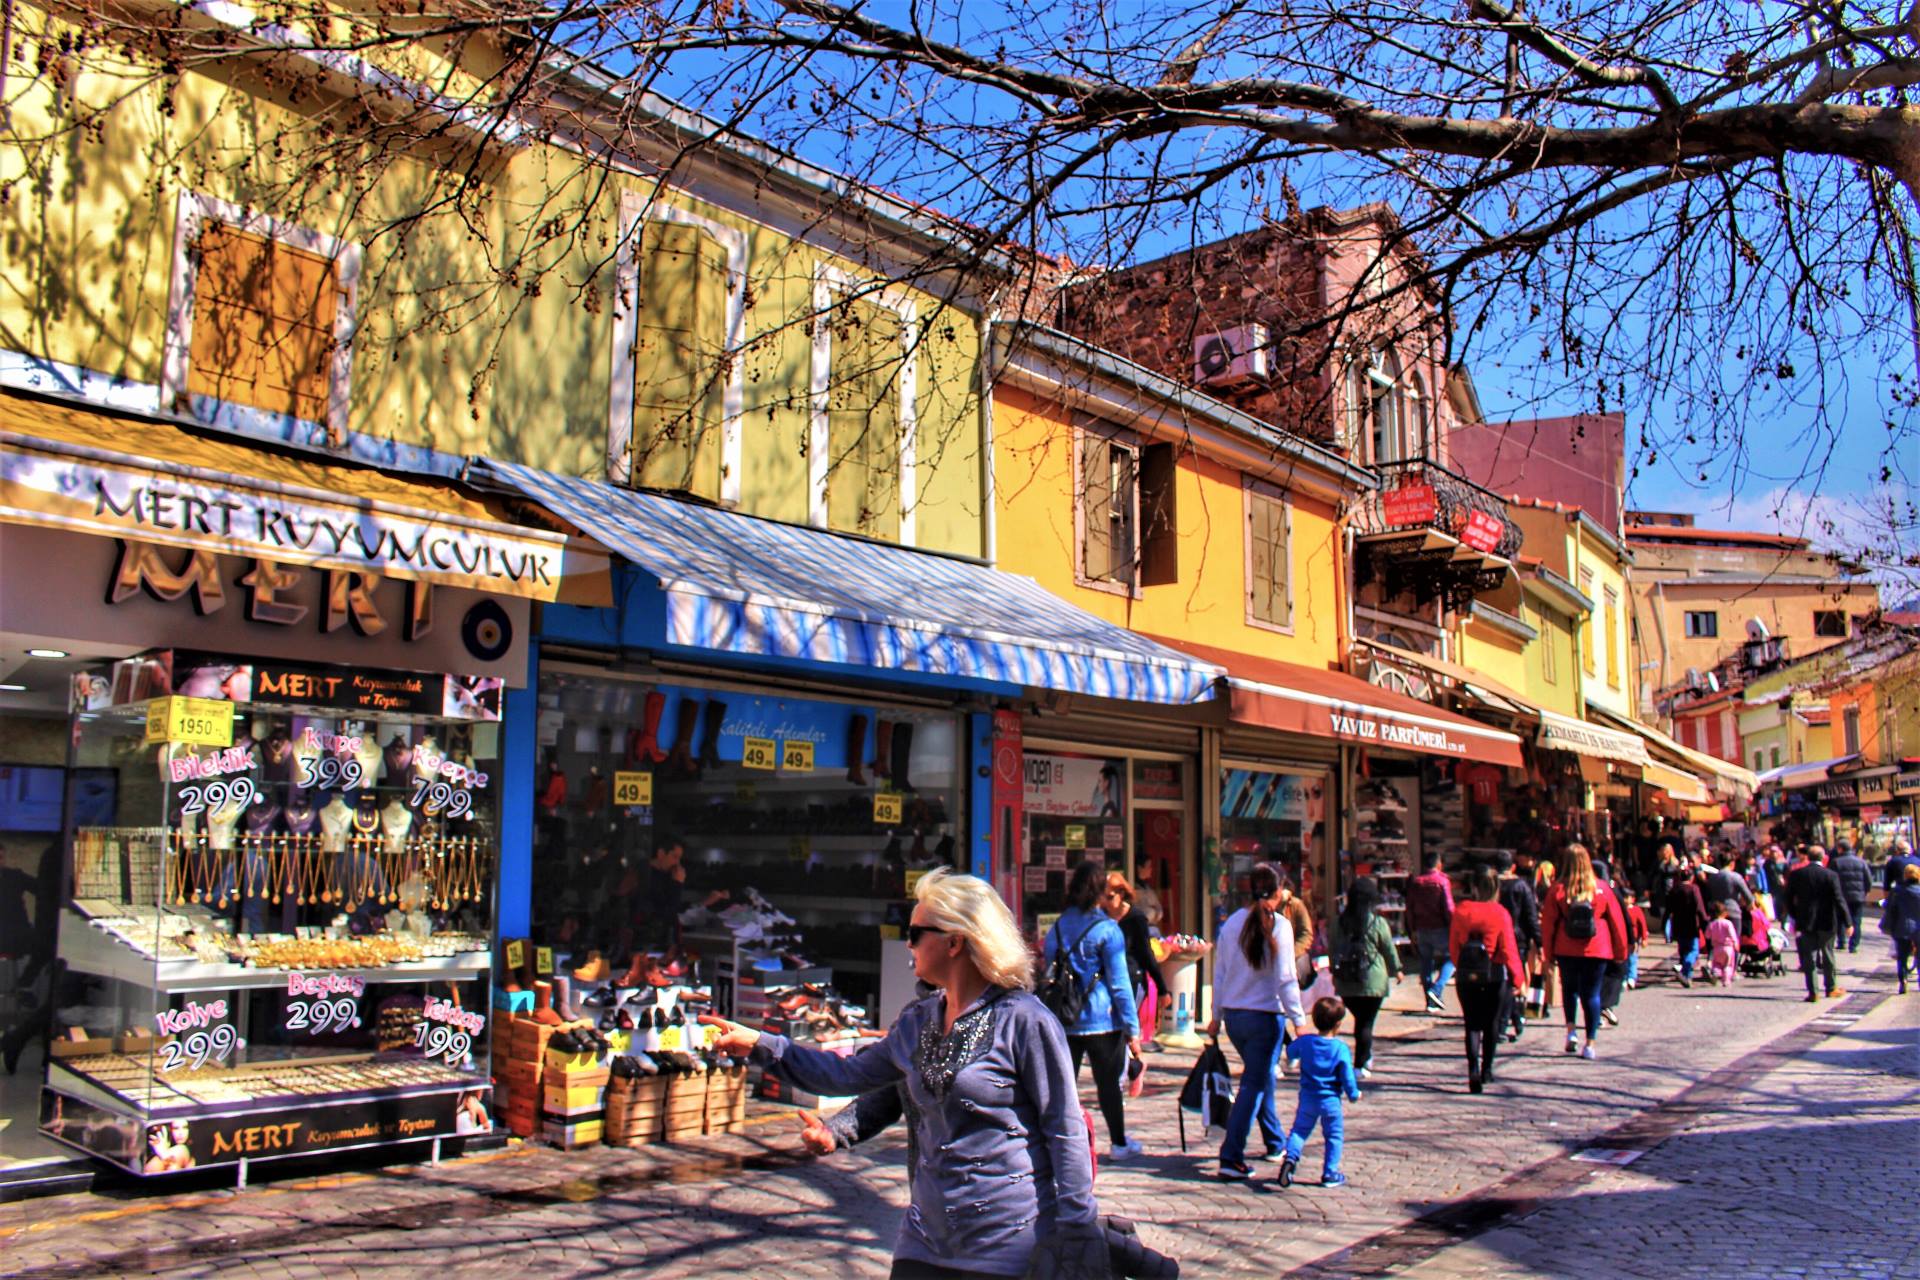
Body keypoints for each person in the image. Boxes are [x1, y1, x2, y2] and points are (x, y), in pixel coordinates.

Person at [702, 869, 1098, 1279]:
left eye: (915, 933)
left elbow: (1063, 1127)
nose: (906, 945)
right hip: (924, 1241)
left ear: (954, 941)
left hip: (1009, 1245)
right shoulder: (916, 1021)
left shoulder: (1026, 1021)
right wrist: (763, 1045)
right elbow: (845, 1075)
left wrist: (1077, 1229)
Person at [1207, 864, 1307, 1180]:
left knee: (1261, 1077)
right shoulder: (1279, 926)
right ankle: (1231, 1154)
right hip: (1265, 1018)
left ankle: (1274, 1140)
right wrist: (1299, 1021)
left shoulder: (1232, 923)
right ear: (1279, 893)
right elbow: (1286, 979)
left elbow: (1219, 973)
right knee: (1254, 1083)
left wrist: (1216, 1015)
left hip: (1235, 1017)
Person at [1043, 860, 1143, 1160]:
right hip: (1102, 1019)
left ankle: (1063, 1144)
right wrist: (1132, 1030)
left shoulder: (1058, 927)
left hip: (1065, 1018)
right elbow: (1120, 984)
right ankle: (1118, 1142)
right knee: (1108, 1085)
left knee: (1064, 1087)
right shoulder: (1107, 930)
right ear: (1099, 891)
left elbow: (1048, 968)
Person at [1539, 844, 1630, 1060]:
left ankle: (1571, 1031)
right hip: (1597, 947)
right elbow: (1617, 922)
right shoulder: (1601, 888)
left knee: (1569, 989)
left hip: (1566, 946)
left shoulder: (1558, 889)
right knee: (1592, 994)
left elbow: (1548, 924)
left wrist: (1549, 953)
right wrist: (1620, 951)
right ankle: (1590, 1043)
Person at [1448, 866, 1526, 1093]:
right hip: (1494, 973)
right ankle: (1487, 1069)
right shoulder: (1500, 913)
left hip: (1467, 974)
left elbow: (1453, 946)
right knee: (1491, 1024)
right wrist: (1518, 978)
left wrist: (1460, 965)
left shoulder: (1461, 911)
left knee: (1471, 1024)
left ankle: (1472, 1069)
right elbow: (1509, 948)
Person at [1277, 996, 1361, 1189]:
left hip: (1308, 1098)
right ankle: (1330, 1173)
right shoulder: (1340, 1048)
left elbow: (1290, 1051)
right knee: (1333, 1136)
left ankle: (1290, 1158)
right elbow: (1347, 1076)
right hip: (1331, 1100)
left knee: (1299, 1131)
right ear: (1338, 1024)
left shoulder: (1306, 1042)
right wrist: (1353, 1093)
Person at [1326, 876, 1400, 1080]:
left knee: (1361, 1020)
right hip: (1373, 980)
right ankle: (1362, 1062)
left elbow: (1332, 949)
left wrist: (1334, 971)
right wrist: (1397, 969)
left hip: (1346, 980)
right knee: (1366, 1022)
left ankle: (1364, 1058)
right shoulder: (1377, 922)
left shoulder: (1338, 923)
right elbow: (1388, 949)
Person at [1101, 872, 1167, 1046]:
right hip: (1106, 980)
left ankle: (1130, 1064)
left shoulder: (1136, 918)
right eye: (1102, 897)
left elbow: (1146, 953)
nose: (1105, 902)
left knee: (1125, 1029)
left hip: (1132, 979)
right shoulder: (1101, 917)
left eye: (1109, 897)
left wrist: (1162, 989)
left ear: (1121, 894)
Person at [1785, 845, 1851, 1002]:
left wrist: (1795, 915)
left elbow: (1788, 898)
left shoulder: (1797, 874)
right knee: (1828, 954)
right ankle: (1830, 987)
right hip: (1827, 920)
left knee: (1809, 957)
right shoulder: (1830, 875)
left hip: (1806, 921)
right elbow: (1839, 899)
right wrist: (1848, 921)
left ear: (1808, 857)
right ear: (1823, 858)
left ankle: (1813, 991)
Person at [1493, 850, 1539, 1042]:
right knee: (1511, 981)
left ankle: (1512, 1020)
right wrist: (1538, 939)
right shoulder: (1521, 886)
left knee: (1504, 981)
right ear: (1512, 866)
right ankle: (1508, 1022)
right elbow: (1530, 915)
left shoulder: (1492, 885)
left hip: (1495, 937)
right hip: (1517, 938)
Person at [1406, 853, 1456, 1013]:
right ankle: (1436, 989)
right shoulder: (1442, 882)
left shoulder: (1416, 883)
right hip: (1440, 927)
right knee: (1453, 958)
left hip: (1421, 928)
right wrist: (1454, 926)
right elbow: (1449, 908)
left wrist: (1412, 929)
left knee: (1426, 963)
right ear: (1439, 864)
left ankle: (1430, 1000)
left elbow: (1410, 908)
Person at [1666, 865, 1710, 989]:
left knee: (1683, 949)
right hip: (1691, 923)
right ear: (1691, 877)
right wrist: (1704, 920)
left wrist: (1666, 923)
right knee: (1694, 950)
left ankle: (1687, 976)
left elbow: (1669, 908)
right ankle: (1684, 969)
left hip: (1678, 923)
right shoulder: (1693, 889)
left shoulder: (1674, 889)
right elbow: (1699, 907)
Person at [1880, 862, 1920, 994]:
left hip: (1902, 927)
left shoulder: (1897, 891)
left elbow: (1890, 908)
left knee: (1902, 956)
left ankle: (1903, 981)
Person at [1831, 839, 1872, 954]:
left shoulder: (1836, 862)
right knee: (1856, 920)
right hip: (1858, 896)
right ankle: (1854, 945)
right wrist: (1865, 892)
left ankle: (1842, 942)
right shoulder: (1861, 862)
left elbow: (1831, 879)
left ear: (1840, 849)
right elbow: (1868, 879)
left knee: (1841, 919)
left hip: (1841, 896)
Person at [1529, 859, 1558, 1015]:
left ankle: (1534, 1006)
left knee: (1536, 970)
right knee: (1550, 969)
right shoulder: (1555, 889)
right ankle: (1548, 1003)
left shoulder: (1532, 889)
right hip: (1551, 931)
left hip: (1537, 930)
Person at [1704, 901, 1741, 986]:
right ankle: (1726, 980)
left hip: (1716, 948)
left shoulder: (1712, 924)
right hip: (1728, 947)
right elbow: (1732, 935)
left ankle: (1716, 974)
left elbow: (1707, 935)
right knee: (1727, 965)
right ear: (1725, 913)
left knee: (1717, 964)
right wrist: (1735, 943)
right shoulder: (1728, 923)